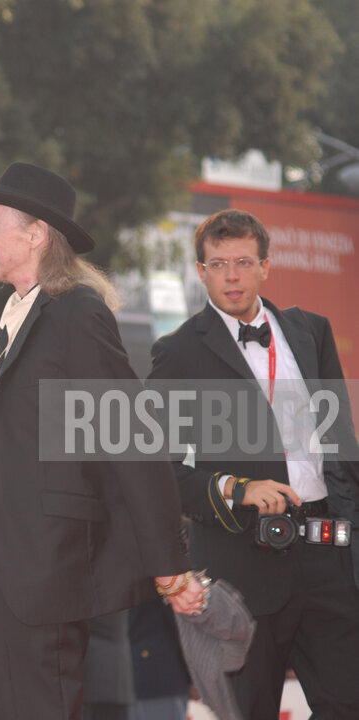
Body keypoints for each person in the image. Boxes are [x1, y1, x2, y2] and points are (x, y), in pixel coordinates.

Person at [0, 162, 201, 718]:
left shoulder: (77, 313)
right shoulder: (11, 324)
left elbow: (130, 440)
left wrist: (167, 562)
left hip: (46, 565)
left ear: (36, 232)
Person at [147, 208, 359, 718]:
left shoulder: (312, 331)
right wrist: (234, 488)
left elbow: (341, 446)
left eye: (243, 261)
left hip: (328, 555)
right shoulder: (176, 353)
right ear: (200, 272)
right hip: (240, 565)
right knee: (250, 711)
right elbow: (152, 467)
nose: (232, 275)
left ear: (266, 265)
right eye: (218, 264)